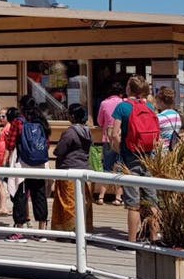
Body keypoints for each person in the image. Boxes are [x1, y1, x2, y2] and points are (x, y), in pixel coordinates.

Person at [107, 76, 162, 243]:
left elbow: (114, 134)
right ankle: (154, 237)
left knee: (133, 202)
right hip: (148, 157)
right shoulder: (150, 106)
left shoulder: (122, 107)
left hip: (129, 158)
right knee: (151, 199)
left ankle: (131, 241)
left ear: (129, 89)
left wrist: (118, 150)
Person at [9, 94, 50, 240]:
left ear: (21, 106)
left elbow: (10, 143)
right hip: (40, 164)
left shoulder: (18, 122)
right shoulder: (42, 121)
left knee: (20, 196)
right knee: (39, 195)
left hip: (23, 164)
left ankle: (19, 230)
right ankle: (42, 232)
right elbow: (47, 143)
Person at [50, 103, 93, 233]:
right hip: (83, 169)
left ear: (72, 116)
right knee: (82, 200)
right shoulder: (88, 131)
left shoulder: (70, 132)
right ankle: (83, 229)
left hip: (69, 169)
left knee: (68, 202)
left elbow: (59, 151)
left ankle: (69, 230)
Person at [94, 81, 124, 204]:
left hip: (107, 138)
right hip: (121, 138)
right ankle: (118, 198)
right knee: (120, 168)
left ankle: (101, 197)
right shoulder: (123, 103)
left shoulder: (104, 103)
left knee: (106, 168)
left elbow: (100, 122)